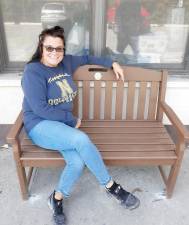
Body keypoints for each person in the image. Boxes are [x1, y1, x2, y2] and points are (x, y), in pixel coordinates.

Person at [21, 26, 140, 225]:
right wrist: (72, 120)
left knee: (76, 162)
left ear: (63, 50)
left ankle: (56, 198)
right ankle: (111, 186)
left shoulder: (66, 61)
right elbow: (40, 109)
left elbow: (87, 59)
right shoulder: (33, 71)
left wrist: (113, 62)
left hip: (61, 127)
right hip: (40, 125)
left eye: (59, 49)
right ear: (41, 47)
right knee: (81, 139)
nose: (54, 53)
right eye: (49, 48)